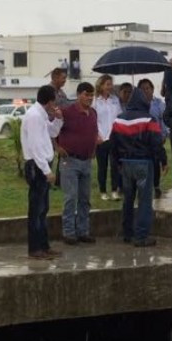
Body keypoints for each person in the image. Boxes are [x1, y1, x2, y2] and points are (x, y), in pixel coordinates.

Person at [111, 85, 168, 247]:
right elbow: (156, 143)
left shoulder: (119, 119)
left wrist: (117, 164)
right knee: (144, 201)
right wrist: (163, 161)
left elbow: (113, 145)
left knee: (128, 199)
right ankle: (141, 236)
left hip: (125, 164)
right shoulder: (149, 119)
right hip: (144, 163)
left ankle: (127, 233)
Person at [20, 85, 65, 259]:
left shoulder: (41, 115)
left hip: (42, 164)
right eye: (54, 101)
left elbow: (52, 132)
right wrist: (46, 171)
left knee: (43, 209)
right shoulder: (34, 116)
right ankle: (35, 248)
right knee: (36, 209)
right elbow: (36, 146)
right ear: (50, 101)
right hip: (37, 166)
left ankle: (44, 245)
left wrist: (59, 119)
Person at [56, 82, 99, 246]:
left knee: (85, 199)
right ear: (79, 94)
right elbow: (52, 129)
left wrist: (93, 147)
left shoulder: (93, 113)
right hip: (70, 161)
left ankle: (83, 231)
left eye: (91, 95)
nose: (89, 98)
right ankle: (68, 232)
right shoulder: (67, 112)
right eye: (87, 95)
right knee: (70, 198)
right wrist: (57, 147)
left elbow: (94, 132)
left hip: (86, 161)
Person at [93, 75, 122, 201]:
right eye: (107, 84)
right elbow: (92, 120)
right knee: (102, 166)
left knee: (115, 165)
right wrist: (96, 135)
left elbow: (119, 116)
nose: (110, 87)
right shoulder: (95, 101)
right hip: (101, 137)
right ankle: (103, 191)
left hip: (114, 136)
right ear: (101, 85)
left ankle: (114, 190)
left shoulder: (115, 100)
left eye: (111, 84)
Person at [137, 78, 168, 199]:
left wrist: (163, 134)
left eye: (147, 88)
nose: (145, 91)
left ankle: (156, 185)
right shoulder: (136, 104)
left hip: (156, 137)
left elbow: (163, 120)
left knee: (156, 162)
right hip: (141, 140)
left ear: (152, 89)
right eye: (142, 89)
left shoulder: (159, 103)